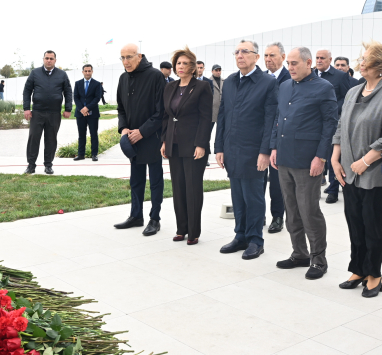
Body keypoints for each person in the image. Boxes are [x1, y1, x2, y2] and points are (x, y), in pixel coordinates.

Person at [331, 41, 382, 298]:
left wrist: (365, 161)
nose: (360, 62)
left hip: (372, 173)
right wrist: (336, 160)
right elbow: (340, 127)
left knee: (372, 225)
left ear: (380, 66)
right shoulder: (353, 91)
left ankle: (375, 274)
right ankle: (357, 268)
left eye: (365, 59)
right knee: (354, 223)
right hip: (348, 171)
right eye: (361, 58)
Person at [271, 47, 338, 280]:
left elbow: (330, 125)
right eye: (288, 63)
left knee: (309, 211)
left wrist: (321, 157)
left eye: (294, 63)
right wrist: (274, 147)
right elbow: (278, 119)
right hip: (284, 158)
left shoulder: (323, 88)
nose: (290, 67)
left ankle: (319, 259)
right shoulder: (285, 86)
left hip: (308, 160)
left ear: (308, 63)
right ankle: (299, 253)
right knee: (291, 211)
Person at [215, 40, 278, 259]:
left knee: (254, 197)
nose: (240, 55)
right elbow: (222, 115)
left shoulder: (268, 83)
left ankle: (255, 240)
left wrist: (265, 151)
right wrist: (219, 147)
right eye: (237, 52)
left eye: (245, 52)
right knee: (237, 196)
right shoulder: (230, 81)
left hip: (254, 151)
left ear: (256, 57)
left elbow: (271, 120)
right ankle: (240, 236)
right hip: (232, 149)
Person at [161, 47, 213, 244]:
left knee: (192, 188)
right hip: (173, 144)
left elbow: (205, 118)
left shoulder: (201, 87)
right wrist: (164, 141)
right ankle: (181, 228)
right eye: (178, 63)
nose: (180, 66)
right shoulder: (170, 87)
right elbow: (166, 116)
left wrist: (201, 144)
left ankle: (193, 232)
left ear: (193, 67)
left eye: (184, 63)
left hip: (193, 146)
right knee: (178, 188)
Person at [114, 44, 166, 235]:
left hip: (151, 138)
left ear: (140, 56)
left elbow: (161, 111)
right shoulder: (123, 78)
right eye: (122, 58)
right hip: (131, 140)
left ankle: (155, 218)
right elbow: (121, 108)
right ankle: (136, 215)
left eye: (129, 57)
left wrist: (142, 131)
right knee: (136, 180)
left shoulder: (155, 76)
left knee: (155, 181)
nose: (125, 62)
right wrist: (124, 128)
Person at [22, 51, 72, 175]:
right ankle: (31, 165)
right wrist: (26, 108)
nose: (49, 60)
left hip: (54, 113)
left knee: (51, 140)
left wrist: (68, 108)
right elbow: (27, 91)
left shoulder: (62, 75)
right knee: (34, 138)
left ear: (55, 60)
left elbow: (68, 92)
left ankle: (48, 165)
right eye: (46, 58)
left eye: (51, 58)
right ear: (43, 59)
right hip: (37, 112)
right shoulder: (35, 73)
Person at [314, 49, 352, 204]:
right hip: (313, 123)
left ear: (329, 60)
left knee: (332, 157)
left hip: (332, 123)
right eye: (317, 58)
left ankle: (333, 190)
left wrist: (334, 108)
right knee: (315, 156)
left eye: (322, 58)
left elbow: (348, 96)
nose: (319, 60)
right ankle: (315, 189)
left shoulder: (340, 76)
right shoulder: (311, 75)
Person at [263, 42, 290, 233]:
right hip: (261, 135)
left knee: (276, 181)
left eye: (272, 55)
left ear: (283, 56)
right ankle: (259, 214)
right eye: (265, 56)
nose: (268, 59)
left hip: (280, 136)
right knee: (258, 179)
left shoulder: (290, 78)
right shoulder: (262, 78)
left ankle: (277, 216)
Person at [73, 64, 103, 161]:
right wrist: (82, 109)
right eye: (85, 71)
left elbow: (97, 98)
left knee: (93, 134)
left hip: (93, 113)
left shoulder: (97, 84)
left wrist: (87, 108)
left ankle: (94, 154)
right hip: (80, 113)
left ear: (92, 71)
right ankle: (81, 154)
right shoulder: (78, 83)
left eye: (89, 71)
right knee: (81, 135)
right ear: (82, 72)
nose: (87, 73)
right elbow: (76, 98)